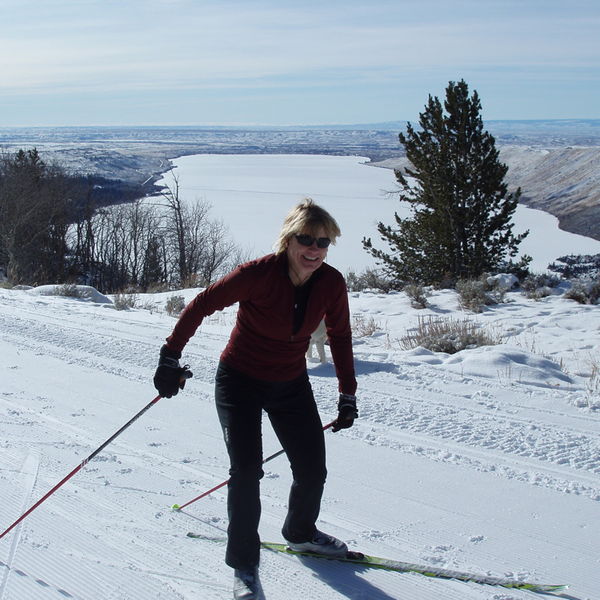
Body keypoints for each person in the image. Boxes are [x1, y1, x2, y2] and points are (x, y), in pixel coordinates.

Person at [153, 198, 358, 600]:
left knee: (312, 468)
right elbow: (201, 304)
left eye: (323, 242)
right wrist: (169, 356)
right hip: (240, 381)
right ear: (289, 240)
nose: (315, 249)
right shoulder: (257, 275)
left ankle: (300, 533)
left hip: (290, 383)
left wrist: (347, 394)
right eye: (306, 239)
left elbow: (341, 336)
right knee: (246, 472)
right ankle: (244, 565)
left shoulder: (331, 283)